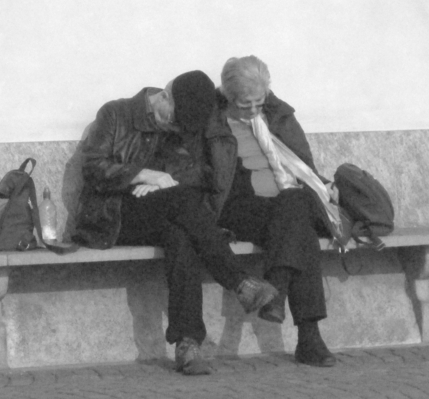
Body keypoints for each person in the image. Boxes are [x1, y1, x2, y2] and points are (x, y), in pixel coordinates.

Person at [72, 70, 278, 375]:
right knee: (181, 204)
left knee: (180, 234)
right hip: (112, 214)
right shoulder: (115, 114)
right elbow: (92, 168)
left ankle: (188, 344)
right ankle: (239, 281)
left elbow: (196, 173)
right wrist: (144, 175)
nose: (175, 126)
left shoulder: (179, 123)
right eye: (172, 118)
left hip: (163, 209)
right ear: (164, 96)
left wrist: (162, 183)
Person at [215, 55, 338, 367]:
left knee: (295, 206)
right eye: (245, 105)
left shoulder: (278, 115)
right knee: (299, 228)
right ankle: (309, 338)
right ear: (228, 96)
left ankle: (276, 289)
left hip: (286, 203)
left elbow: (302, 165)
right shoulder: (214, 122)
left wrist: (325, 186)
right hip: (242, 207)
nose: (253, 111)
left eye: (259, 102)